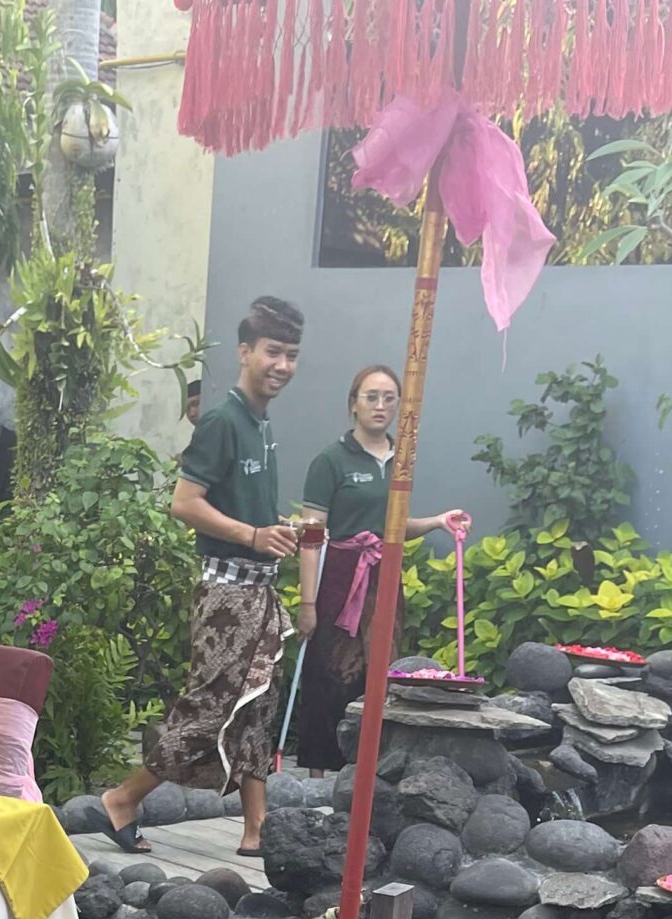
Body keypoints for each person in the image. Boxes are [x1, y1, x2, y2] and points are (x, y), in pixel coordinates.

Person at [90, 297, 304, 858]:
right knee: (207, 711)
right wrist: (253, 536)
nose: (282, 365)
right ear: (245, 351)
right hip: (227, 593)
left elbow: (244, 512)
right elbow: (184, 504)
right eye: (272, 352)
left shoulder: (260, 424)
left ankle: (255, 831)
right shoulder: (221, 420)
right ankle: (122, 798)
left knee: (257, 706)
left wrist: (276, 531)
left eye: (292, 355)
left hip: (258, 590)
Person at [292, 363, 468, 773]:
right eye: (371, 396)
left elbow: (394, 527)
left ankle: (365, 767)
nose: (381, 405)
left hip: (383, 576)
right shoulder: (330, 460)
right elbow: (312, 535)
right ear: (353, 404)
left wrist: (438, 521)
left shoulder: (399, 461)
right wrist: (307, 602)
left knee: (380, 671)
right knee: (331, 670)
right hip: (339, 577)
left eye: (390, 398)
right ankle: (320, 769)